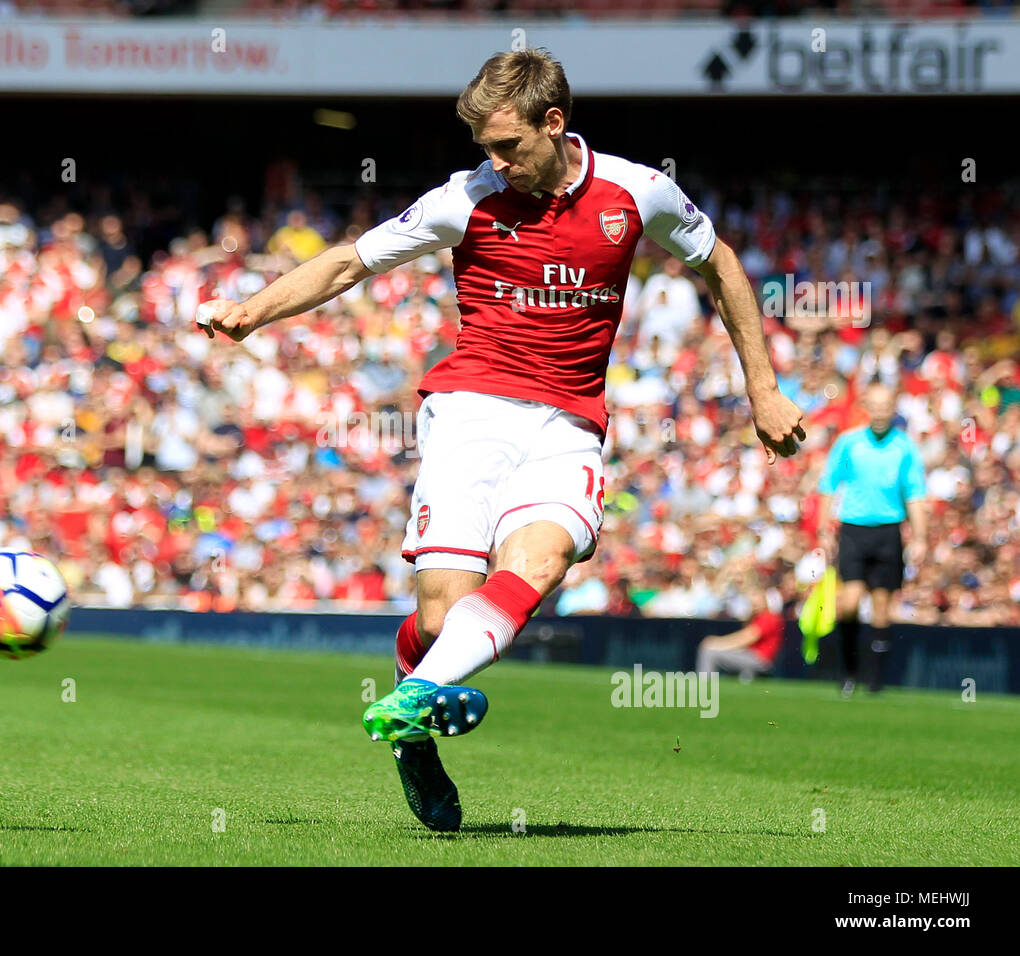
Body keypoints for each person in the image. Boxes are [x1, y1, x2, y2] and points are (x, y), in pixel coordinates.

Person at [196, 48, 805, 831]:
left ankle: (411, 703)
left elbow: (719, 263)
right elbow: (351, 262)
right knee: (447, 622)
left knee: (543, 561)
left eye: (509, 145)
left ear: (555, 123)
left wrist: (762, 386)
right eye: (485, 146)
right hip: (470, 413)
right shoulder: (464, 200)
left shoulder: (638, 191)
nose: (496, 162)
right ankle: (416, 726)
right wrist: (254, 309)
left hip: (569, 424)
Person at [817, 382, 928, 695]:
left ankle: (875, 680)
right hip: (853, 529)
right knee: (849, 602)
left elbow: (916, 494)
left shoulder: (904, 446)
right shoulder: (849, 443)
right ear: (866, 407)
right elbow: (828, 484)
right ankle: (848, 671)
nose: (880, 413)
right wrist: (824, 528)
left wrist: (920, 537)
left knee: (882, 607)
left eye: (885, 406)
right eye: (875, 406)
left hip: (888, 531)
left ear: (893, 408)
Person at [696, 589, 784, 681]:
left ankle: (703, 682)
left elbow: (746, 638)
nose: (755, 606)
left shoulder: (768, 617)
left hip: (759, 660)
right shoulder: (759, 617)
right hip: (754, 657)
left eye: (757, 603)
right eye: (753, 604)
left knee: (709, 652)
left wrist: (717, 643)